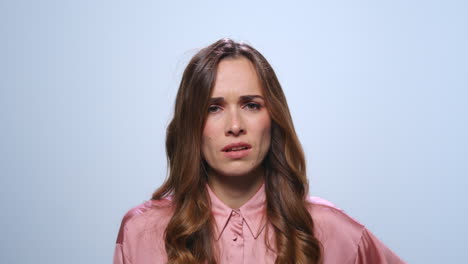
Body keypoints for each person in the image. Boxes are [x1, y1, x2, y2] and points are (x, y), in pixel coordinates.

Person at [113, 38, 406, 264]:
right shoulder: (142, 231)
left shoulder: (332, 230)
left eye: (251, 105)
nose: (235, 125)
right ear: (192, 125)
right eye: (213, 108)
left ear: (273, 117)